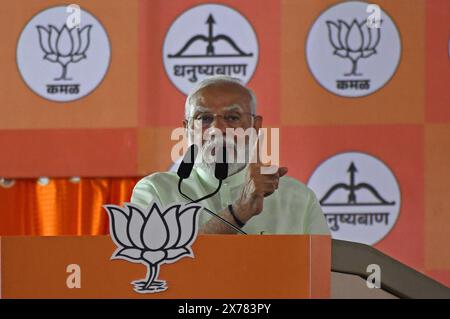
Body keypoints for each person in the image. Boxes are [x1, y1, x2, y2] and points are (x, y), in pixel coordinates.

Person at [131, 76, 330, 235]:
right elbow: (152, 268)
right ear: (187, 129)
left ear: (255, 126)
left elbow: (325, 276)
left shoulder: (298, 198)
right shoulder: (156, 191)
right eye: (204, 118)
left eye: (232, 118)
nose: (217, 129)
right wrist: (239, 211)